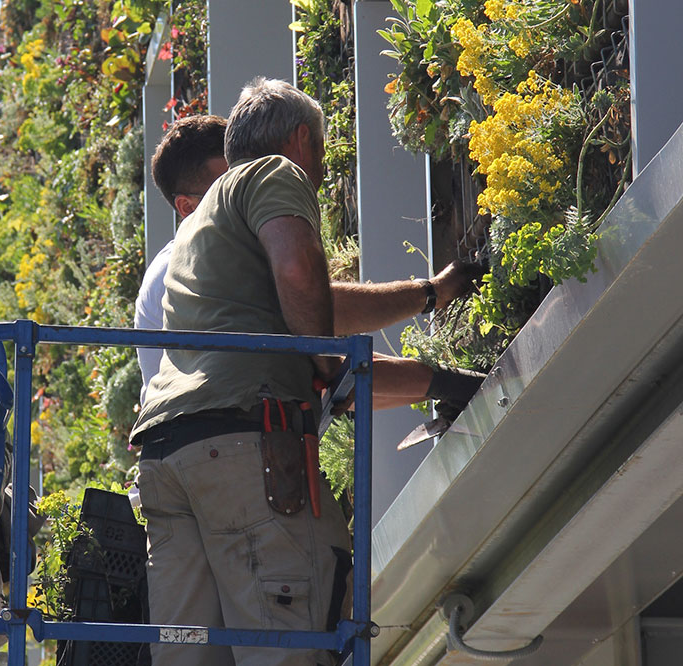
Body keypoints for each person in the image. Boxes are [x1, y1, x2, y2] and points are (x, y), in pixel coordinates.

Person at [131, 78, 484, 666]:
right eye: (321, 149)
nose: (321, 166)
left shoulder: (193, 236)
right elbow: (300, 275)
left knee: (191, 653)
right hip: (243, 448)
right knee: (291, 640)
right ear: (300, 139)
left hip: (169, 459)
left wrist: (426, 296)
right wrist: (323, 358)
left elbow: (315, 297)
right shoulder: (275, 173)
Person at [135, 114, 228, 405]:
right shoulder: (179, 269)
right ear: (187, 207)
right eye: (226, 190)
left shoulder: (226, 254)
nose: (246, 196)